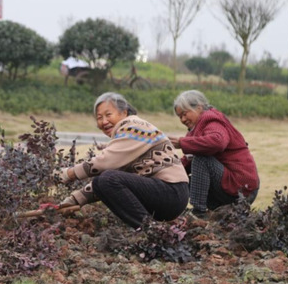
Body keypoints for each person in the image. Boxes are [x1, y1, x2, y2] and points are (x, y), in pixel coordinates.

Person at [56, 92, 190, 229]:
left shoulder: (134, 127)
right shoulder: (125, 136)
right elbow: (104, 180)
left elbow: (106, 162)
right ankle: (149, 229)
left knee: (107, 179)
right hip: (165, 194)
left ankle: (149, 230)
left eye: (108, 115)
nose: (104, 121)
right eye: (99, 117)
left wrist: (68, 174)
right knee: (102, 181)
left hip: (171, 192)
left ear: (124, 112)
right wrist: (74, 200)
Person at [169, 90, 259, 218]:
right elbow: (188, 160)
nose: (183, 119)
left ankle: (198, 213)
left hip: (240, 186)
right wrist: (167, 171)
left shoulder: (210, 119)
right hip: (232, 186)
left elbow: (218, 142)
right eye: (179, 117)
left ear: (199, 107)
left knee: (201, 159)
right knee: (181, 181)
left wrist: (182, 142)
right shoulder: (196, 129)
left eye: (184, 114)